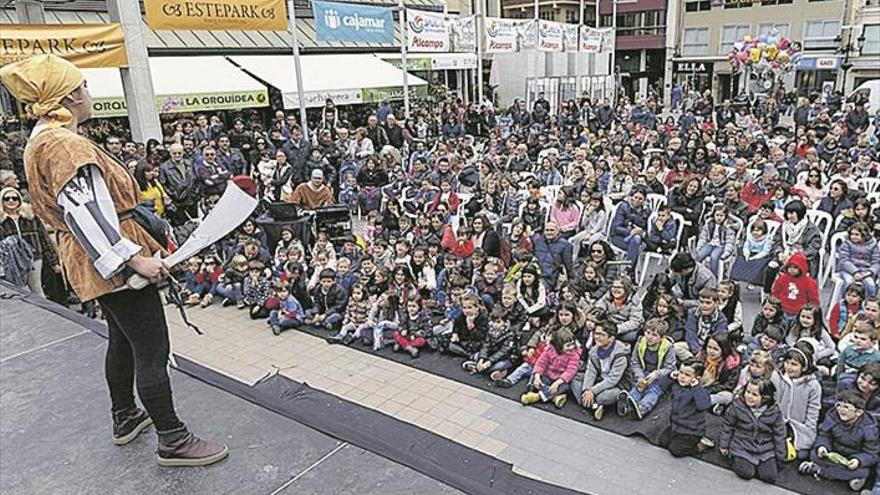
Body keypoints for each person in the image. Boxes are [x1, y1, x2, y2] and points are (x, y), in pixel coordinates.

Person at [0, 55, 227, 465]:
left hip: (90, 257)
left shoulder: (43, 137)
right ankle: (172, 438)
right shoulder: (64, 144)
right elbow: (84, 210)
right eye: (83, 85)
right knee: (152, 348)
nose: (88, 92)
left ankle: (124, 416)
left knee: (123, 338)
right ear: (69, 96)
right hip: (111, 259)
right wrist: (134, 259)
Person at [799, 390, 879, 491]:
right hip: (833, 453)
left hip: (850, 459)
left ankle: (819, 470)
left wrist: (859, 460)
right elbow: (824, 434)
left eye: (846, 407)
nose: (841, 410)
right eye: (839, 405)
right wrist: (822, 446)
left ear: (858, 412)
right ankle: (846, 478)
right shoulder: (833, 416)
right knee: (814, 455)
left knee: (864, 471)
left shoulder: (868, 428)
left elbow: (871, 453)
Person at [718, 378, 787, 485]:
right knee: (746, 473)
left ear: (765, 398)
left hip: (765, 448)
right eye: (747, 392)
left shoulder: (774, 411)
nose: (749, 396)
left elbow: (779, 433)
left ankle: (759, 465)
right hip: (742, 445)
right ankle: (735, 458)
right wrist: (724, 445)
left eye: (754, 395)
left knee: (769, 476)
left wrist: (781, 455)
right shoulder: (737, 406)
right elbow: (728, 425)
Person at [0, 186, 59, 296]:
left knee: (37, 287)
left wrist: (54, 261)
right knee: (20, 290)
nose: (11, 201)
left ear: (19, 200)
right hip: (12, 260)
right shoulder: (1, 220)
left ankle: (43, 312)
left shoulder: (30, 216)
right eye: (6, 198)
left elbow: (44, 238)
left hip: (34, 256)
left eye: (15, 198)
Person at [618, 318, 676, 419]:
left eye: (654, 335)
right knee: (638, 387)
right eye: (648, 333)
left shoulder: (668, 348)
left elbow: (670, 367)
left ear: (662, 338)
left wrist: (657, 374)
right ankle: (628, 402)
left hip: (660, 377)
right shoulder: (640, 342)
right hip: (643, 372)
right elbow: (635, 362)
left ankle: (643, 407)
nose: (649, 337)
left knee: (653, 390)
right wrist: (639, 375)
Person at [573, 321, 631, 420]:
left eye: (602, 334)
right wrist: (586, 390)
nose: (597, 337)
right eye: (596, 333)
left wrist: (593, 391)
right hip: (599, 380)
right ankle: (594, 405)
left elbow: (613, 380)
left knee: (603, 397)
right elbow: (590, 372)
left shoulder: (620, 355)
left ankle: (591, 403)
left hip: (616, 385)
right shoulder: (594, 351)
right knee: (575, 378)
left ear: (611, 338)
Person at [657, 357, 714, 457]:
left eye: (687, 375)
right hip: (676, 426)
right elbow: (661, 386)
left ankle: (700, 446)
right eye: (681, 372)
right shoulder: (676, 385)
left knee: (675, 450)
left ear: (697, 379)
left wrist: (696, 387)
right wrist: (670, 376)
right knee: (662, 441)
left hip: (691, 431)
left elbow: (704, 405)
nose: (682, 377)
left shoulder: (699, 391)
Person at [521, 328, 582, 409]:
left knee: (564, 387)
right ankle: (554, 397)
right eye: (568, 345)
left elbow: (570, 371)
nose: (571, 347)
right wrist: (537, 377)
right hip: (548, 375)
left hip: (561, 380)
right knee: (536, 379)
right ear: (559, 345)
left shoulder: (574, 355)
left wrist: (557, 383)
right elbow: (540, 363)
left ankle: (537, 397)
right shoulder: (549, 350)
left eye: (572, 344)